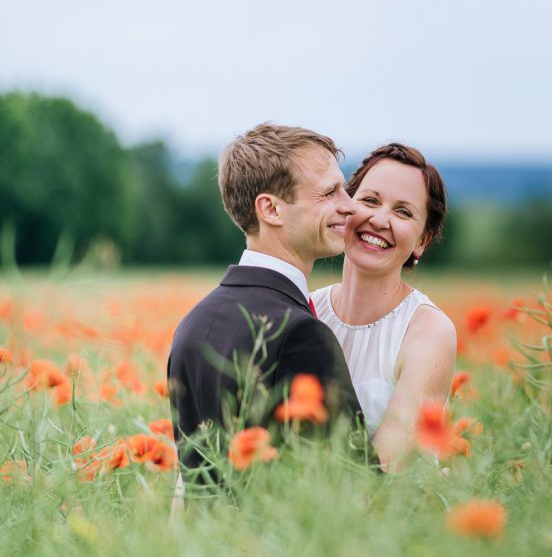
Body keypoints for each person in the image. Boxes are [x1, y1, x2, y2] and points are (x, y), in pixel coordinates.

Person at [167, 123, 365, 482]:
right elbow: (352, 480)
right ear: (271, 209)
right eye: (329, 193)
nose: (349, 206)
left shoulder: (191, 324)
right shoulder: (300, 333)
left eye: (345, 189)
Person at [310, 143, 456, 472]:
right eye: (370, 201)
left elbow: (388, 466)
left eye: (403, 212)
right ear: (345, 206)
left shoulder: (428, 332)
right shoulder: (305, 310)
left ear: (422, 240)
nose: (379, 219)